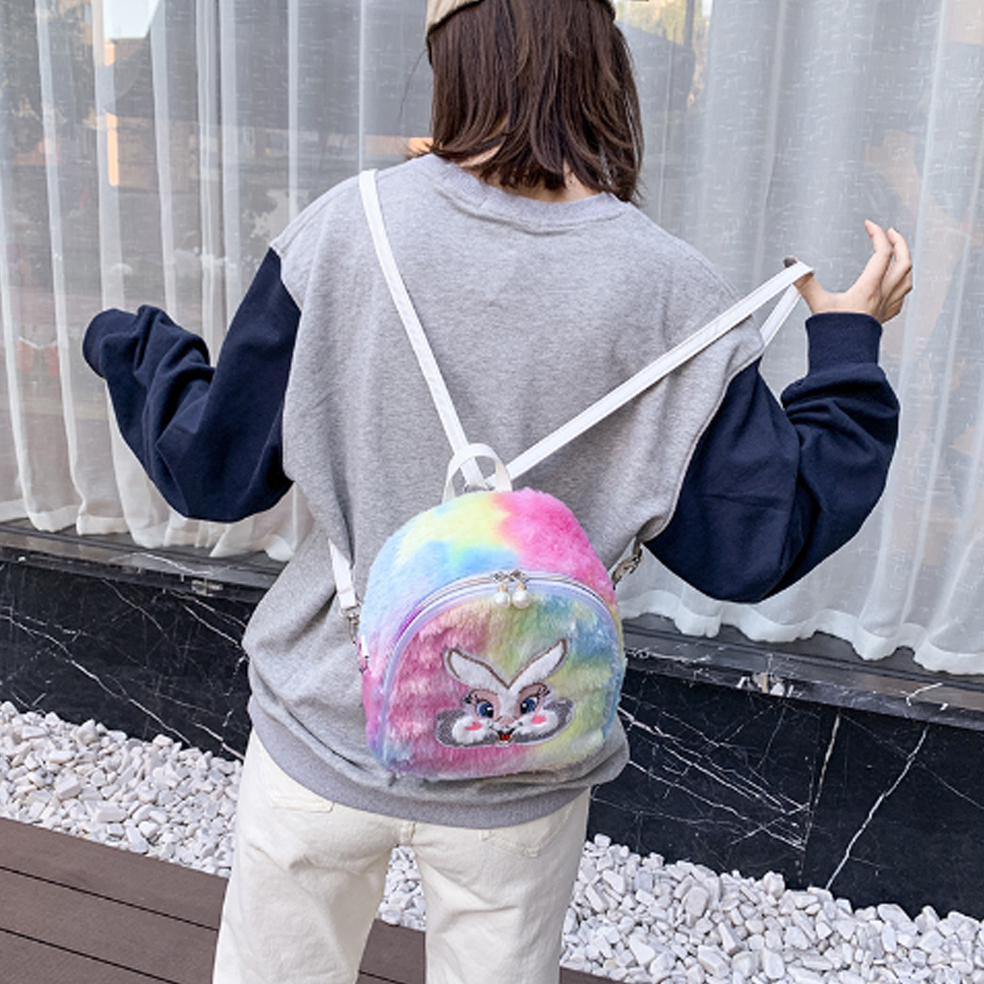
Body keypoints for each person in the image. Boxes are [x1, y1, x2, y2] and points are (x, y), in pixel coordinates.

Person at [82, 0, 912, 981]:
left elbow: (214, 469)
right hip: (525, 758)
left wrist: (135, 348)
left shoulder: (349, 229)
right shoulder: (674, 293)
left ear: (454, 62)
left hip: (322, 730)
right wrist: (848, 345)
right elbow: (753, 546)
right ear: (601, 62)